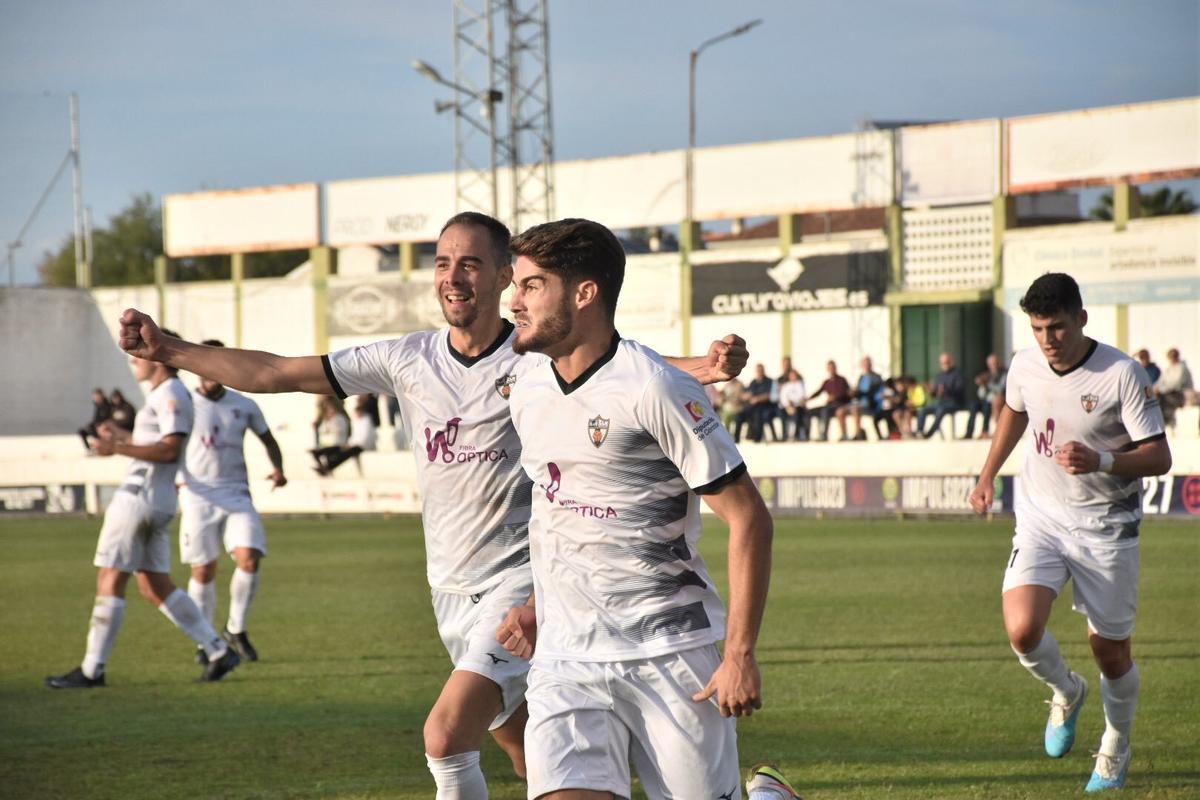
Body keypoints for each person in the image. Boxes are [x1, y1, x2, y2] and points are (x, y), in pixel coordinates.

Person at [114, 211, 748, 798]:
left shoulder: (529, 358)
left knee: (446, 737)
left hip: (528, 583)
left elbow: (613, 365)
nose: (453, 276)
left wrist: (702, 366)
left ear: (504, 278)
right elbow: (277, 372)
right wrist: (168, 349)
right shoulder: (406, 359)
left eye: (470, 264)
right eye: (443, 262)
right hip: (450, 588)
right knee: (526, 755)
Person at [494, 217, 784, 800]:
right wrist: (532, 603)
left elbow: (749, 516)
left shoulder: (655, 388)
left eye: (531, 286)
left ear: (584, 293)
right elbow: (561, 504)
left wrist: (739, 656)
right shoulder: (525, 385)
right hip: (565, 658)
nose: (513, 301)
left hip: (670, 654)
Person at [969, 272, 1171, 793]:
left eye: (1056, 327)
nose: (1047, 339)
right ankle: (1066, 690)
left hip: (1106, 529)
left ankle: (1114, 745)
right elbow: (1014, 414)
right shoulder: (1024, 363)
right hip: (1041, 518)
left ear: (1081, 318)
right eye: (1037, 328)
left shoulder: (1122, 373)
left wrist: (1101, 459)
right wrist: (987, 474)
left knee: (1111, 654)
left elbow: (1160, 456)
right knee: (1022, 629)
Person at [46, 337, 241, 689]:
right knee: (155, 586)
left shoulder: (171, 394)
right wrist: (120, 435)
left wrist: (117, 446)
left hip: (139, 498)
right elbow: (158, 443)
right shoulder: (168, 394)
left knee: (110, 577)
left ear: (160, 358)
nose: (133, 360)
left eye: (139, 354)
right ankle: (217, 650)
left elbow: (169, 450)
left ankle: (92, 670)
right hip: (157, 500)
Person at [180, 339, 286, 665]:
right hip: (197, 494)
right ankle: (206, 640)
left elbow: (268, 439)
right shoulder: (182, 403)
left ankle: (235, 629)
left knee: (250, 558)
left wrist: (278, 469)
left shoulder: (244, 404)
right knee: (204, 569)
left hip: (236, 492)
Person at [317, 395, 378, 476]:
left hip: (362, 445)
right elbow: (355, 435)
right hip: (356, 444)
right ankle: (326, 465)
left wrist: (351, 444)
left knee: (346, 453)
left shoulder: (366, 420)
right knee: (339, 451)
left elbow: (366, 437)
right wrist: (350, 443)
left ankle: (328, 467)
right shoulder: (357, 421)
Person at [917, 352, 966, 438]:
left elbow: (960, 389)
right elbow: (935, 394)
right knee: (922, 410)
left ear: (951, 362)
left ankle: (929, 434)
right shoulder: (939, 376)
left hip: (954, 402)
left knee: (940, 410)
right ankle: (919, 432)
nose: (944, 365)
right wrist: (931, 391)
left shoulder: (958, 374)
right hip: (941, 402)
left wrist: (946, 390)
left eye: (946, 362)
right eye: (942, 363)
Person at [964, 353, 1008, 439]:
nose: (993, 366)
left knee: (987, 406)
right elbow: (981, 395)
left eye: (995, 363)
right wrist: (982, 386)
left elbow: (1001, 389)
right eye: (991, 364)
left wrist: (987, 384)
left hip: (1000, 400)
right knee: (974, 406)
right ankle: (969, 432)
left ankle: (985, 431)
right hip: (987, 400)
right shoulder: (988, 375)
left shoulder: (1004, 373)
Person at [808, 360, 851, 441]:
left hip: (840, 404)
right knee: (816, 411)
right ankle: (817, 435)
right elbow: (818, 392)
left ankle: (824, 435)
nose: (831, 369)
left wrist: (835, 397)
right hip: (830, 405)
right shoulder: (827, 382)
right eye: (830, 368)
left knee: (825, 411)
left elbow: (846, 392)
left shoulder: (842, 380)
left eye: (833, 368)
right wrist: (808, 399)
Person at [309, 396, 350, 476]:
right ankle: (323, 468)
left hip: (337, 443)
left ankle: (324, 469)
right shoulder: (324, 419)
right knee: (317, 451)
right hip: (329, 442)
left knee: (323, 452)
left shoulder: (340, 417)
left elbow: (339, 432)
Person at [1153, 347, 1193, 430]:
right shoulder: (1169, 368)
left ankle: (1170, 424)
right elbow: (1161, 381)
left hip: (1180, 394)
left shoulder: (1182, 368)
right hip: (1168, 393)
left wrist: (1161, 390)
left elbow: (1175, 384)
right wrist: (1154, 389)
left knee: (1164, 400)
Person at [740, 363, 778, 442]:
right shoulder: (753, 382)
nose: (759, 372)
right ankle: (748, 435)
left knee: (757, 413)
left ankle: (757, 438)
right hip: (754, 406)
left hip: (767, 406)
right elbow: (747, 393)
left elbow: (769, 395)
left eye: (761, 370)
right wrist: (746, 396)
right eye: (758, 371)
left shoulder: (769, 381)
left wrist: (757, 399)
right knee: (743, 412)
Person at [849, 356, 883, 440]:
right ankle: (848, 434)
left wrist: (860, 392)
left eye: (868, 364)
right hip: (861, 403)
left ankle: (858, 434)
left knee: (855, 409)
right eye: (864, 364)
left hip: (871, 405)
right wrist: (854, 392)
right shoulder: (861, 377)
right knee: (841, 411)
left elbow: (873, 391)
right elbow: (859, 392)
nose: (866, 366)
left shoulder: (876, 377)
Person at [777, 368, 808, 441]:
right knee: (782, 414)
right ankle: (784, 435)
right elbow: (783, 397)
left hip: (797, 406)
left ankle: (796, 435)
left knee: (798, 414)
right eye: (791, 375)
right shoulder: (786, 386)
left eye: (794, 375)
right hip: (786, 407)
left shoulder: (800, 385)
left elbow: (801, 396)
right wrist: (788, 404)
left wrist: (793, 402)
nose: (793, 377)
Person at [78, 387, 112, 453]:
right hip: (95, 426)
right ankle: (89, 449)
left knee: (92, 428)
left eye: (97, 396)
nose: (95, 398)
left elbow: (107, 418)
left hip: (104, 427)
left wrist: (100, 425)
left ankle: (99, 446)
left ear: (102, 395)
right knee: (82, 431)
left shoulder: (107, 405)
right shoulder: (97, 405)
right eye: (94, 396)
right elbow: (95, 419)